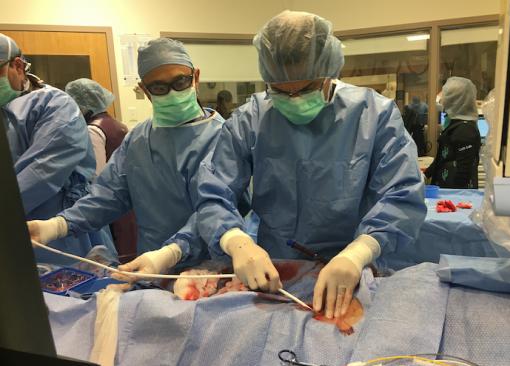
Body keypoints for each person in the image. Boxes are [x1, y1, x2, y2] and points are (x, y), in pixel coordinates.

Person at [193, 11, 426, 319]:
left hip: (351, 269)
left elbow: (402, 194)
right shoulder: (251, 119)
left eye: (307, 89)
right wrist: (236, 242)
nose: (294, 99)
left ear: (330, 73)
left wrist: (358, 253)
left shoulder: (374, 115)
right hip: (278, 272)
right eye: (280, 91)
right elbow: (214, 192)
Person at [28, 38, 241, 279]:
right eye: (159, 87)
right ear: (144, 90)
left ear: (196, 77)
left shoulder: (225, 137)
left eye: (180, 81)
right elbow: (108, 196)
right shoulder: (138, 139)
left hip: (214, 271)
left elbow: (222, 209)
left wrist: (172, 252)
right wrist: (56, 225)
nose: (172, 93)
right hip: (151, 269)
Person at [0, 33, 107, 265]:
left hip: (57, 232)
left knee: (68, 284)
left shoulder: (55, 106)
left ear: (17, 66)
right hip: (8, 234)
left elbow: (41, 172)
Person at [65, 78, 138, 262]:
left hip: (110, 203)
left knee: (118, 256)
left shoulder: (93, 130)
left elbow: (94, 174)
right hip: (129, 200)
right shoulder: (118, 125)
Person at [425, 77, 481, 189]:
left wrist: (453, 196)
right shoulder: (455, 124)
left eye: (446, 96)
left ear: (456, 100)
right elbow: (442, 158)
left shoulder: (465, 130)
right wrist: (425, 175)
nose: (442, 100)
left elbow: (463, 172)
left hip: (456, 193)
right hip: (444, 189)